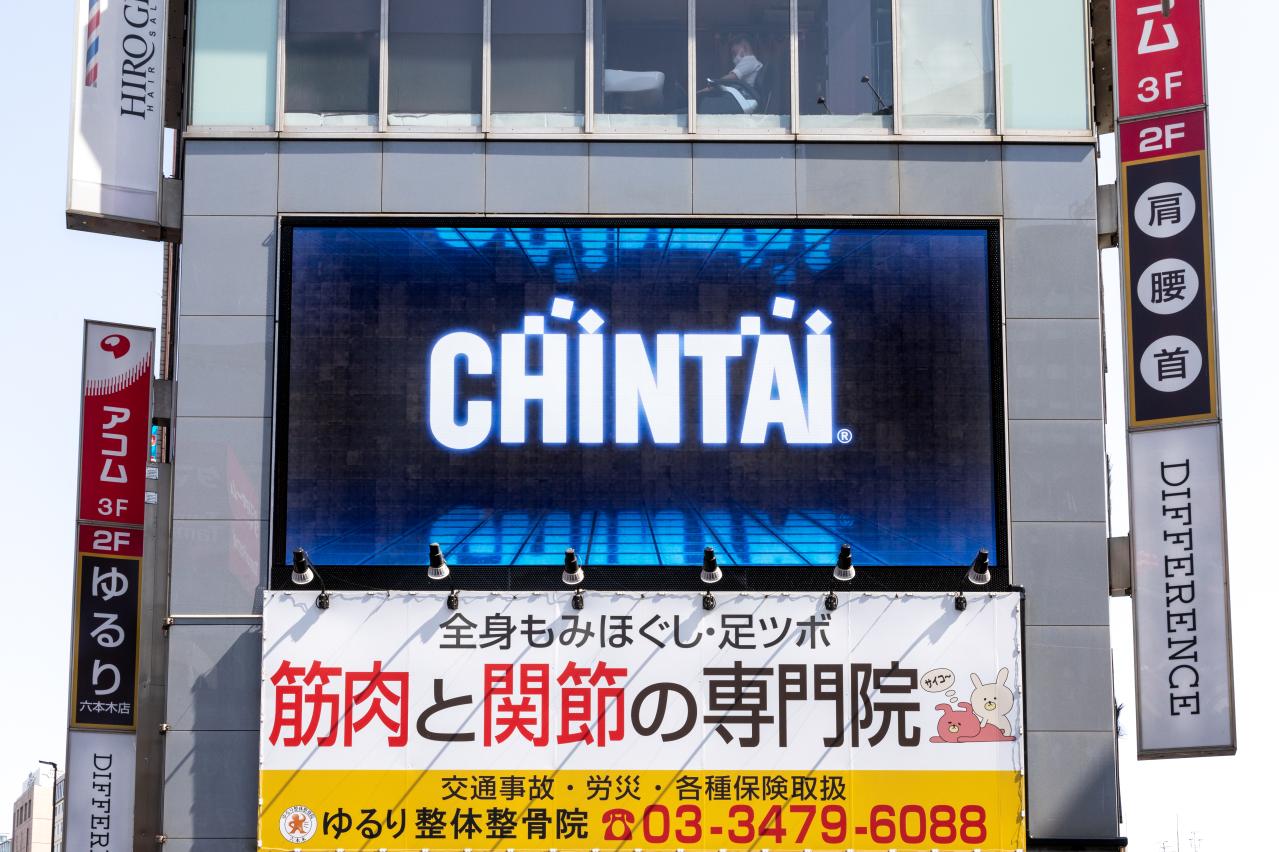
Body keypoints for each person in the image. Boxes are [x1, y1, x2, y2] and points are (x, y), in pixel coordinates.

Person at [698, 36, 764, 114]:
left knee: (705, 103)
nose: (733, 57)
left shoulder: (749, 60)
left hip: (744, 100)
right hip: (744, 97)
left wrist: (714, 84)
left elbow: (732, 77)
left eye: (734, 53)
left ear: (744, 47)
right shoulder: (751, 62)